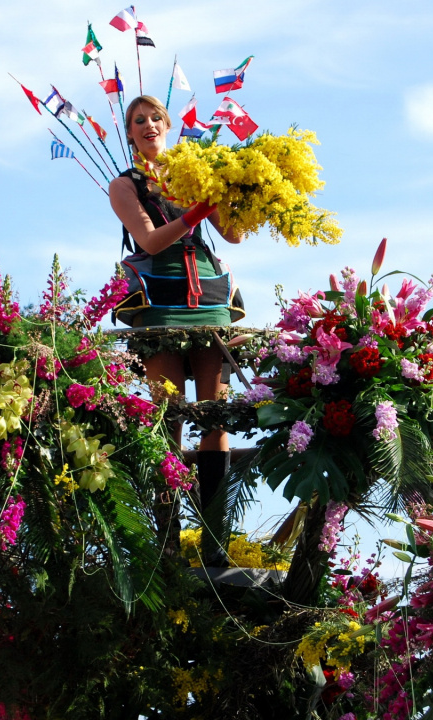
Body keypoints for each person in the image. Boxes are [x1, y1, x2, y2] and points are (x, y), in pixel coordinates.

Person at [108, 94, 245, 525]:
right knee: (167, 416)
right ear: (130, 133)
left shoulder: (195, 174)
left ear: (168, 126)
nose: (149, 124)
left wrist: (236, 192)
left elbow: (234, 236)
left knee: (215, 416)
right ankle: (168, 538)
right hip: (159, 299)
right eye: (138, 120)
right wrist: (196, 212)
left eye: (155, 118)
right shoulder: (125, 184)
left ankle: (215, 537)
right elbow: (148, 242)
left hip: (208, 293)